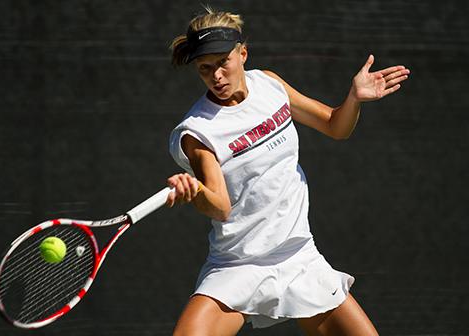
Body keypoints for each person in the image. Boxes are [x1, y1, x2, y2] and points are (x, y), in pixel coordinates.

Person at [164, 7, 409, 336]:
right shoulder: (197, 132)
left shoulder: (270, 85)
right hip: (238, 265)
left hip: (298, 256)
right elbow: (220, 206)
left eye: (223, 62)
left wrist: (354, 98)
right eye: (205, 69)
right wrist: (196, 193)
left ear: (243, 54)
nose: (216, 76)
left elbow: (335, 125)